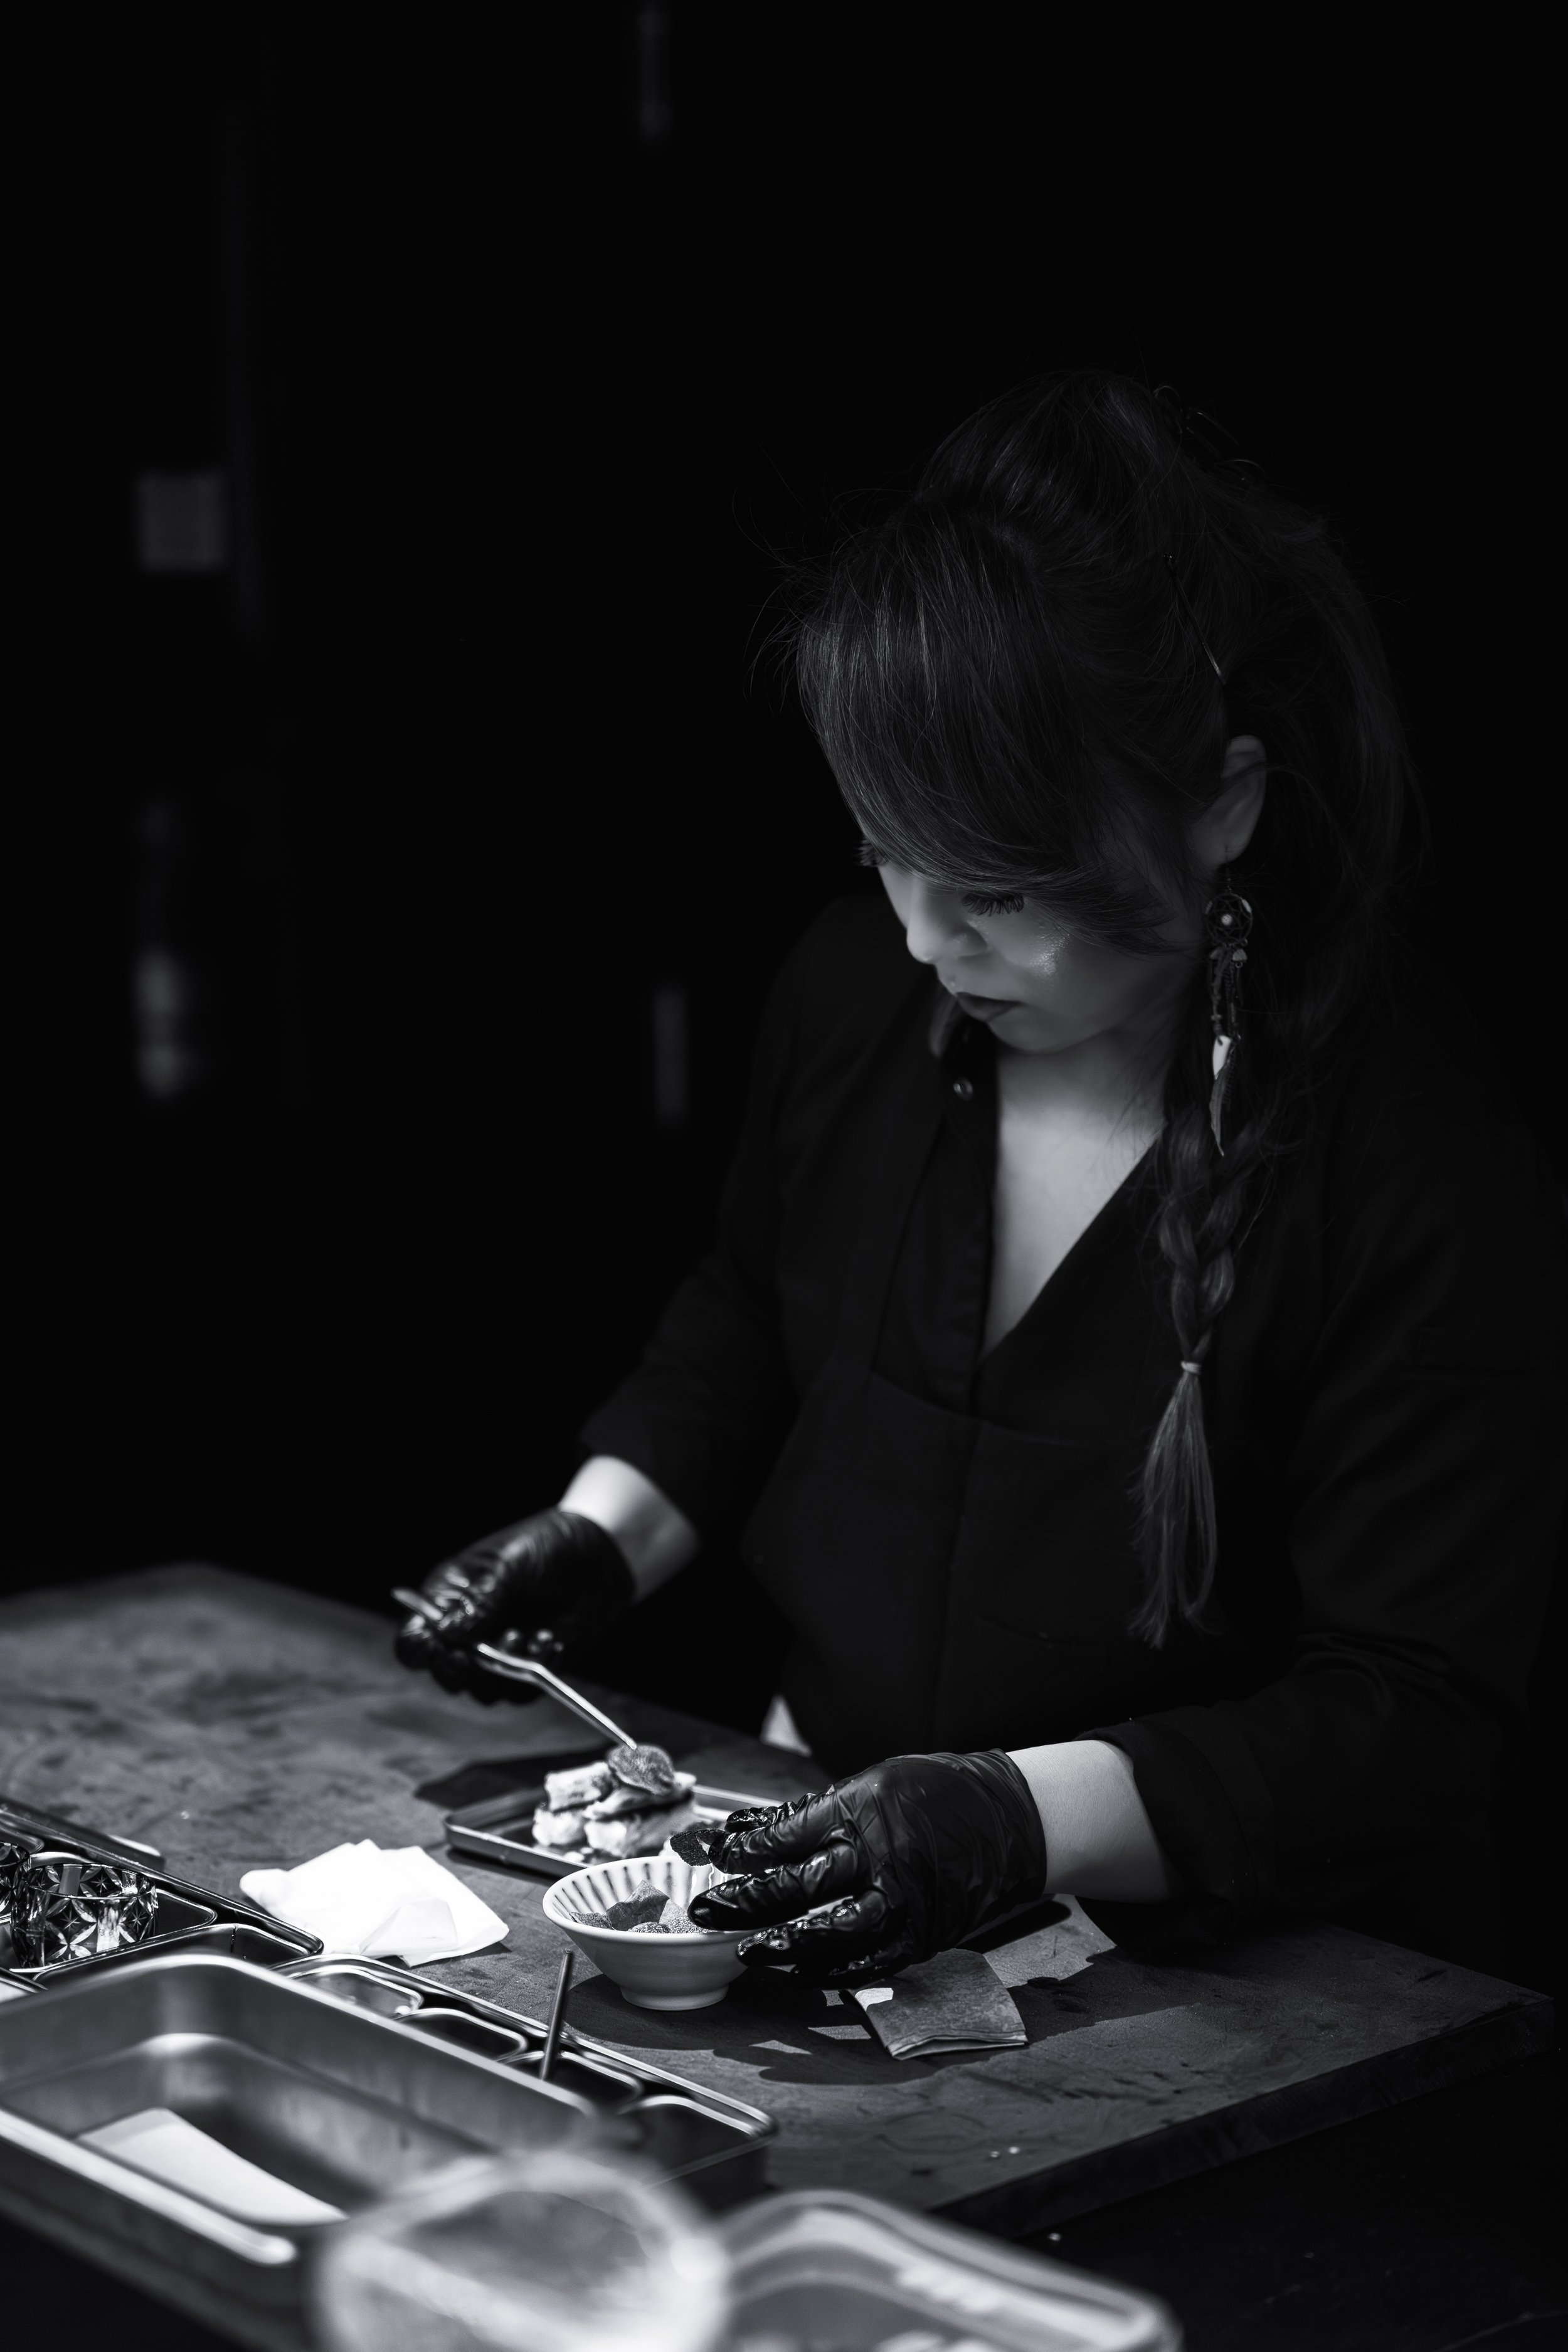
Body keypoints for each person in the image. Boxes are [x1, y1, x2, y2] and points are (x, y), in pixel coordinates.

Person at [397, 371, 1565, 1981]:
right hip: (831, 1894)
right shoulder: (855, 993)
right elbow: (749, 1321)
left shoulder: (1408, 1149)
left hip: (1271, 1982)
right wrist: (602, 1532)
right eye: (885, 851)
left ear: (1218, 806)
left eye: (1004, 890)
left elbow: (1407, 1708)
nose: (923, 943)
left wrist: (1004, 1818)